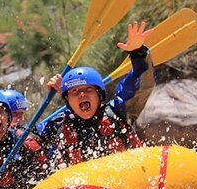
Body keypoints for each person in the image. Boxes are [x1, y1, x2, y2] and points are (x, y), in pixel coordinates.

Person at [36, 21, 155, 172]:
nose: (82, 94)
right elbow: (25, 139)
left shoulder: (119, 111)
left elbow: (142, 83)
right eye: (75, 92)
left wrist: (138, 53)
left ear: (100, 95)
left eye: (88, 89)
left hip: (130, 183)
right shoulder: (57, 126)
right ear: (66, 100)